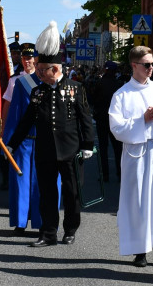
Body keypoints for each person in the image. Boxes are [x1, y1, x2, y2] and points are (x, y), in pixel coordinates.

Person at [8, 22, 95, 247]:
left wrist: (88, 145)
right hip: (45, 150)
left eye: (42, 70)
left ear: (55, 69)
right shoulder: (38, 92)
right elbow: (27, 121)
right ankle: (48, 233)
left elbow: (85, 119)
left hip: (71, 151)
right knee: (46, 194)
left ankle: (70, 229)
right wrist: (12, 143)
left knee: (72, 193)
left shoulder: (76, 89)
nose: (38, 73)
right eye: (38, 69)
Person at [109, 45, 153, 268]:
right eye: (146, 64)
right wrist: (142, 120)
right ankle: (140, 250)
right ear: (134, 65)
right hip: (136, 153)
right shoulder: (122, 94)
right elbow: (116, 127)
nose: (151, 68)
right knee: (137, 201)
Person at [2, 43, 48, 231]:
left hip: (44, 141)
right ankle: (20, 223)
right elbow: (13, 113)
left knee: (41, 184)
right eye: (25, 58)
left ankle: (41, 222)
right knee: (20, 181)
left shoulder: (52, 83)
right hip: (24, 139)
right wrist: (8, 141)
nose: (29, 62)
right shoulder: (19, 83)